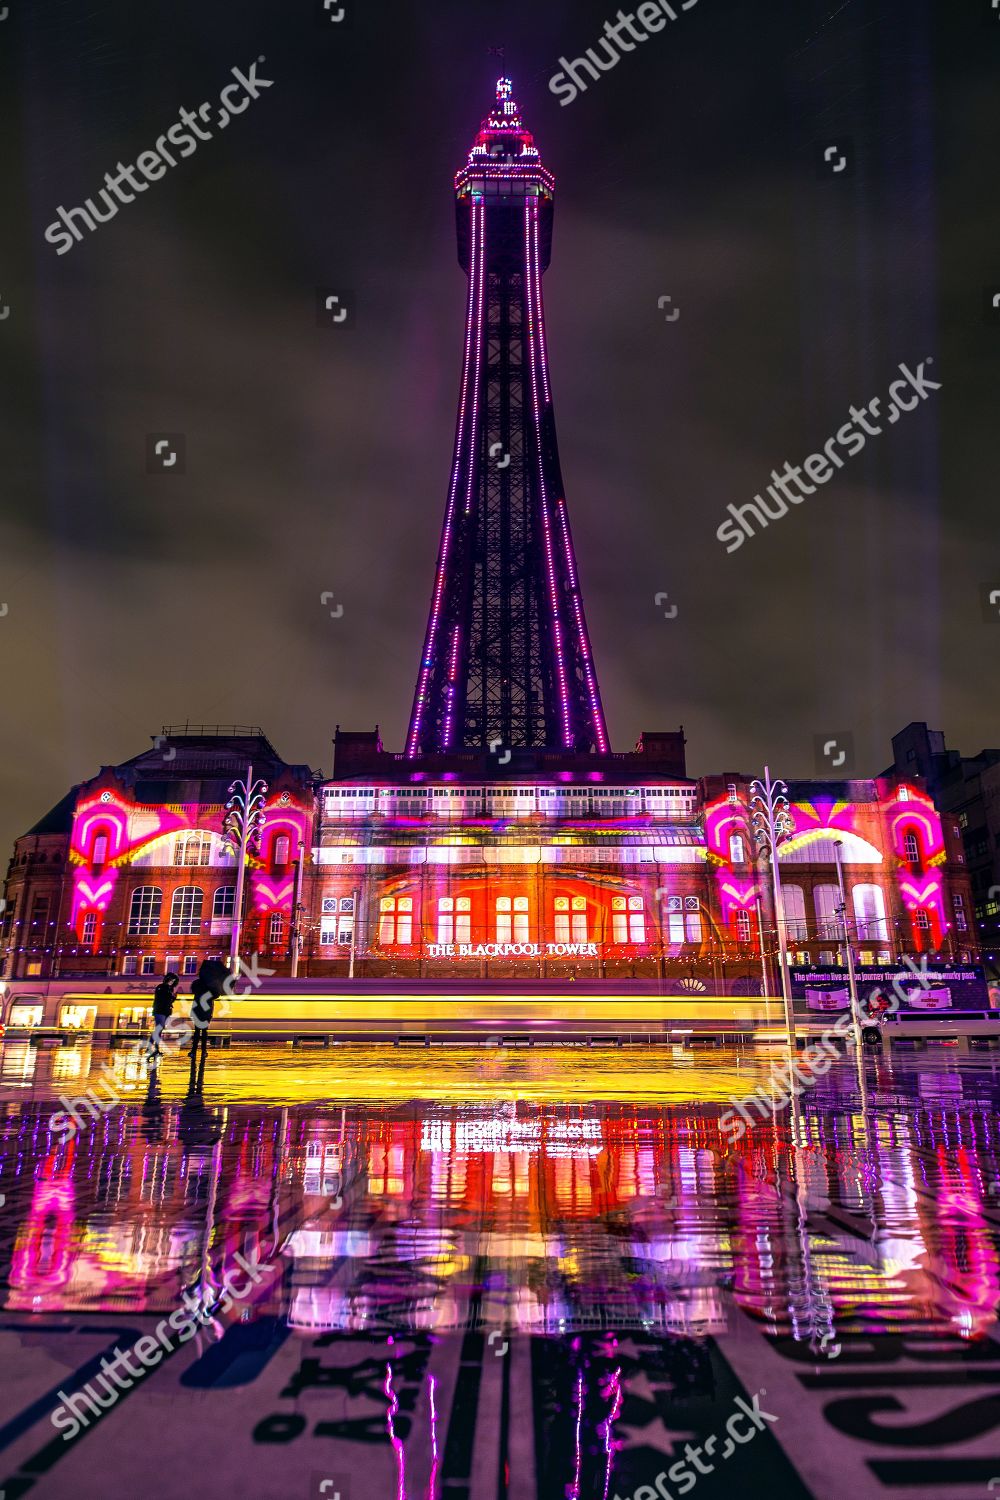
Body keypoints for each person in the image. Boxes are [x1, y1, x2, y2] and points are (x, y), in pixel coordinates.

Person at [189, 958, 228, 1060]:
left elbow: (193, 990)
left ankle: (193, 1051)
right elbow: (216, 995)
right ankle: (203, 1051)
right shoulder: (212, 986)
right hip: (207, 1011)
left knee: (197, 1031)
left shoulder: (197, 983)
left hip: (197, 1010)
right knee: (204, 1032)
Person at [150, 972, 179, 1059]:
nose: (172, 982)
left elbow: (169, 1000)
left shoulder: (170, 989)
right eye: (171, 980)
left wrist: (173, 998)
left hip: (166, 1010)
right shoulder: (161, 987)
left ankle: (155, 1048)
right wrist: (172, 997)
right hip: (160, 1010)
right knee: (159, 1028)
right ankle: (150, 1045)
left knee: (160, 1029)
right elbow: (162, 998)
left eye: (174, 981)